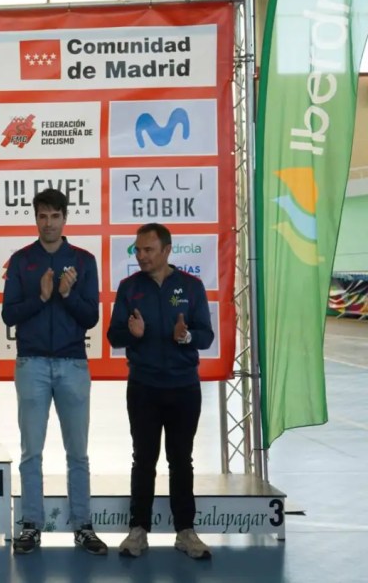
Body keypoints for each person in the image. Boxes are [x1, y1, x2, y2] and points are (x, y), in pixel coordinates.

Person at [1, 188, 107, 556]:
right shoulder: (21, 260)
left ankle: (83, 526)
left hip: (72, 364)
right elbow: (9, 315)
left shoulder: (83, 260)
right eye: (42, 216)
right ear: (35, 218)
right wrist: (42, 297)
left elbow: (90, 317)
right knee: (31, 452)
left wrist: (66, 294)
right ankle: (31, 525)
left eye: (55, 216)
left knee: (78, 453)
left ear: (65, 218)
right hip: (31, 364)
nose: (48, 223)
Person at [107, 222, 215, 560]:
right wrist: (132, 333)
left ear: (167, 250)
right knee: (144, 460)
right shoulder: (129, 288)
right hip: (144, 387)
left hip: (184, 388)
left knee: (181, 460)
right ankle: (138, 531)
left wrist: (186, 336)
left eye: (148, 250)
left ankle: (186, 532)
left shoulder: (191, 286)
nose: (141, 256)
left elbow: (206, 336)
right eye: (138, 250)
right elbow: (113, 336)